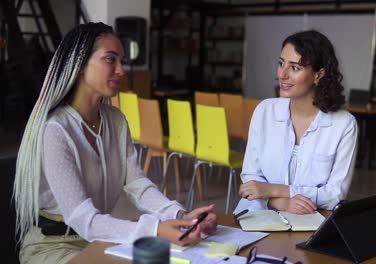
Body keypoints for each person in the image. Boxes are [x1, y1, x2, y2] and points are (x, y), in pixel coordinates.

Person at [13, 22, 217, 264]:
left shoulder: (116, 120)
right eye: (110, 59)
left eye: (121, 60)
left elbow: (136, 183)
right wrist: (155, 229)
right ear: (79, 65)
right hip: (52, 246)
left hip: (99, 238)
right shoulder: (54, 130)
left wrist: (181, 215)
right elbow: (83, 219)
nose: (121, 70)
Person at [234, 30, 358, 215]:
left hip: (313, 220)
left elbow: (335, 194)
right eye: (281, 63)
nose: (282, 75)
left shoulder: (344, 125)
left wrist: (276, 190)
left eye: (295, 68)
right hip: (259, 215)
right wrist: (281, 203)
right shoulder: (264, 111)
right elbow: (251, 180)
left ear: (318, 75)